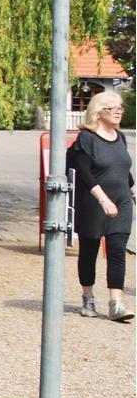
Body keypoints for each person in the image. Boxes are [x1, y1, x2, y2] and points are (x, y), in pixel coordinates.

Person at [67, 88, 135, 321]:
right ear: (98, 112)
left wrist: (134, 190)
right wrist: (103, 199)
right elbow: (85, 173)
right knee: (89, 251)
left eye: (120, 107)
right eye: (112, 108)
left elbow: (123, 170)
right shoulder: (86, 139)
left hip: (121, 202)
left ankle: (116, 303)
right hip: (94, 203)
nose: (118, 112)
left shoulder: (120, 137)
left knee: (117, 251)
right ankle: (88, 298)